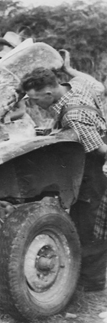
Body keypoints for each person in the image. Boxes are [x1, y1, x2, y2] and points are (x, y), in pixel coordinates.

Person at [21, 50, 107, 292]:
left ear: (49, 93)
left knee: (88, 223)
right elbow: (94, 82)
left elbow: (101, 150)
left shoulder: (74, 116)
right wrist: (69, 69)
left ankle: (91, 282)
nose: (34, 104)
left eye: (35, 100)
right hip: (90, 159)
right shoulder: (78, 85)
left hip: (95, 165)